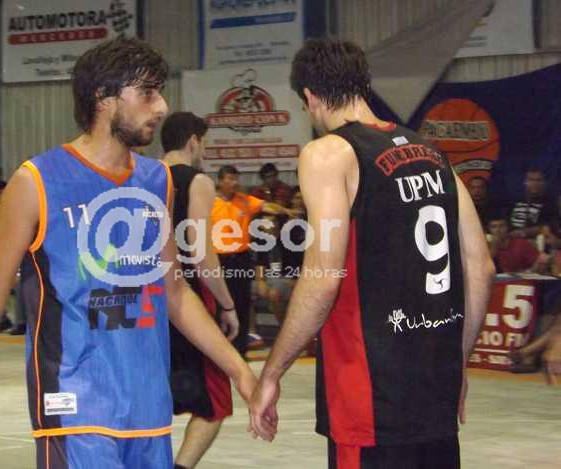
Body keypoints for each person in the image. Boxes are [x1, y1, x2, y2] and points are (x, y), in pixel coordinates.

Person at [0, 37, 256, 469]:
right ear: (104, 97)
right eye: (147, 93)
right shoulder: (37, 181)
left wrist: (238, 369)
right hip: (74, 408)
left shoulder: (157, 181)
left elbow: (174, 293)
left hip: (148, 411)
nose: (161, 106)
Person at [248, 38, 495, 469]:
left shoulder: (329, 154)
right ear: (363, 84)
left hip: (369, 398)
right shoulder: (434, 154)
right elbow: (482, 267)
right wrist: (456, 364)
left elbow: (323, 279)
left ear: (310, 97)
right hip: (435, 392)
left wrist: (271, 373)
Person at [161, 111, 240, 469]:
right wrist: (226, 304)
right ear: (193, 141)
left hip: (142, 299)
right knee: (216, 401)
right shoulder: (196, 181)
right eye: (204, 143)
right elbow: (201, 253)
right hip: (185, 297)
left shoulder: (141, 176)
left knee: (152, 397)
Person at [211, 164, 292, 356]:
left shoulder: (245, 200)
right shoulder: (210, 202)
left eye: (236, 179)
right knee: (221, 303)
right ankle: (221, 349)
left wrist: (287, 211)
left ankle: (241, 348)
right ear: (220, 181)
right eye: (230, 179)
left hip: (241, 258)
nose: (234, 183)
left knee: (242, 302)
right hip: (219, 260)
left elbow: (267, 206)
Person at [508, 168, 555, 240]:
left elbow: (545, 227)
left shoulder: (549, 203)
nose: (535, 183)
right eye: (531, 180)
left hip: (533, 241)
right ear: (525, 182)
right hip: (509, 239)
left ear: (544, 182)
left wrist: (523, 232)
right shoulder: (515, 200)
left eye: (538, 180)